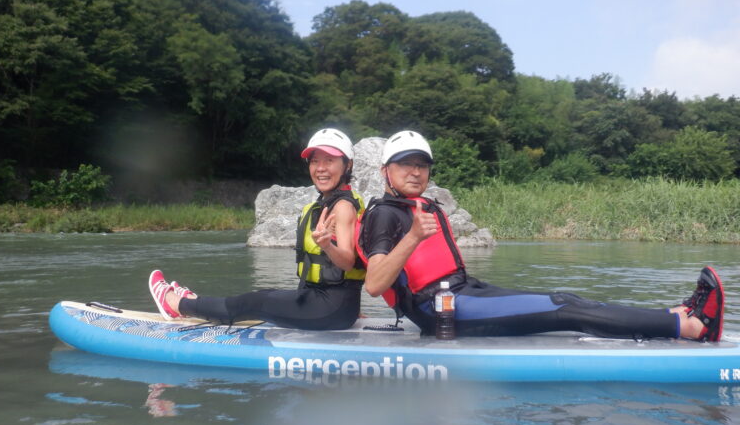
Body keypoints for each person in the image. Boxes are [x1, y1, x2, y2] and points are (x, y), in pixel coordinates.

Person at [356, 130, 725, 341]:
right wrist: (413, 238)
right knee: (565, 310)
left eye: (422, 165)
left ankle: (670, 313)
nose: (416, 172)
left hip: (463, 292)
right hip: (437, 312)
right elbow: (374, 283)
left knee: (566, 297)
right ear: (385, 171)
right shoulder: (384, 216)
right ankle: (688, 327)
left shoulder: (420, 206)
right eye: (405, 164)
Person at [148, 128, 366, 330]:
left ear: (348, 165)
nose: (320, 168)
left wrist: (327, 245)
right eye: (315, 161)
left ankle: (176, 304)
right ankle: (194, 302)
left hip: (330, 307)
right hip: (330, 304)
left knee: (254, 302)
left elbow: (347, 260)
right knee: (265, 295)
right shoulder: (330, 202)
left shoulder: (343, 206)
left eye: (329, 161)